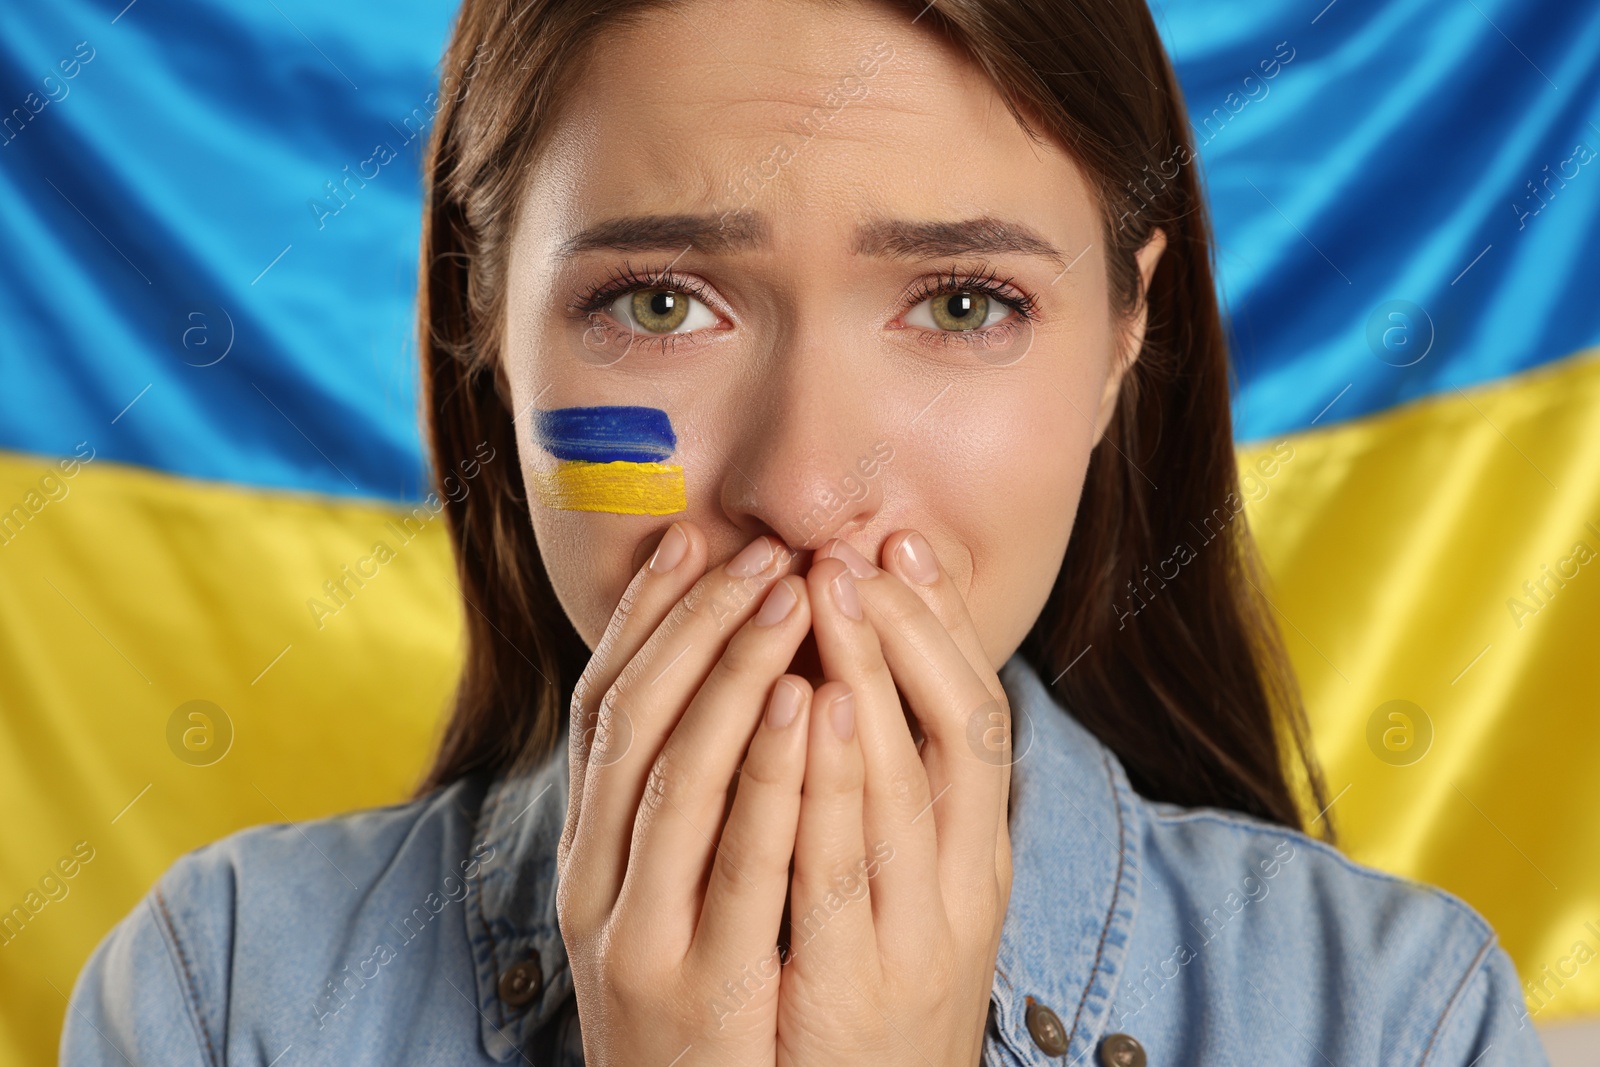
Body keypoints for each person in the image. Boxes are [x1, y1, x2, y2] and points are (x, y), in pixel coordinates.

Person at [63, 0, 1547, 1063]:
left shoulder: (1398, 1018)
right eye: (659, 304)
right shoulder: (224, 995)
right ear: (484, 319)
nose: (806, 489)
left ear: (1122, 337)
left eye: (964, 304)